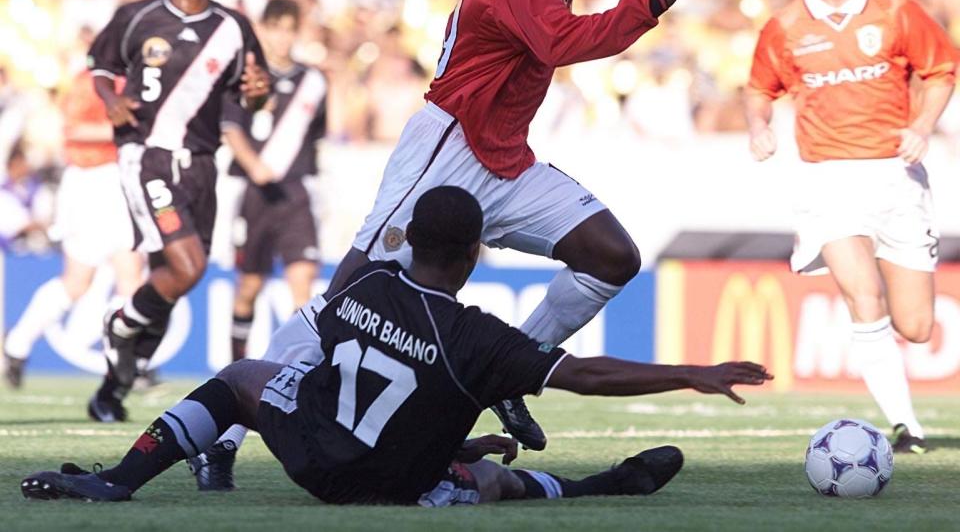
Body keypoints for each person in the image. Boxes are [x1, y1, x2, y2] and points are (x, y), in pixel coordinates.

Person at [20, 186, 772, 505]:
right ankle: (592, 488)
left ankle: (123, 477)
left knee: (245, 374)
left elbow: (356, 374)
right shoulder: (480, 339)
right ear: (477, 252)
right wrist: (691, 371)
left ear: (410, 238)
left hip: (311, 454)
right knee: (489, 484)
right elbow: (591, 375)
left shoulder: (363, 288)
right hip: (395, 484)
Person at [316, 0, 708, 451]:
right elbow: (556, 43)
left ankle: (509, 375)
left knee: (610, 256)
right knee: (365, 279)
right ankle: (280, 385)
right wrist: (649, 4)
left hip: (503, 157)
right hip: (449, 143)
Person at [745, 0, 957, 455]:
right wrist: (758, 126)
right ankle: (907, 428)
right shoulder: (786, 25)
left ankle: (905, 416)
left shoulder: (895, 8)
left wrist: (924, 125)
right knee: (864, 298)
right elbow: (758, 88)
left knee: (915, 326)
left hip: (896, 176)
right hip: (827, 180)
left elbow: (941, 70)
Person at [84, 0, 270, 422]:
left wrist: (258, 93)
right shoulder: (138, 16)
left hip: (204, 164)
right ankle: (120, 324)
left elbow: (254, 92)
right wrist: (110, 100)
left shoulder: (234, 26)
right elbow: (99, 66)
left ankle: (113, 385)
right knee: (187, 268)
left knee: (173, 278)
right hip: (148, 155)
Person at [4, 71, 144, 388]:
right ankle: (18, 342)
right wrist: (131, 127)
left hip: (124, 178)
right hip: (90, 180)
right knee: (78, 281)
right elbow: (73, 128)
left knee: (131, 276)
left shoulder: (140, 76)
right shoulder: (90, 82)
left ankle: (128, 364)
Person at [220, 0, 327, 362]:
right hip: (255, 194)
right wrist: (255, 166)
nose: (282, 38)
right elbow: (230, 128)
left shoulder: (312, 81)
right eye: (275, 28)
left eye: (289, 29)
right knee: (249, 285)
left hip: (295, 192)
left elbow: (317, 135)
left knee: (303, 283)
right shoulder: (247, 77)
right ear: (263, 29)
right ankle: (235, 366)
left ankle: (298, 369)